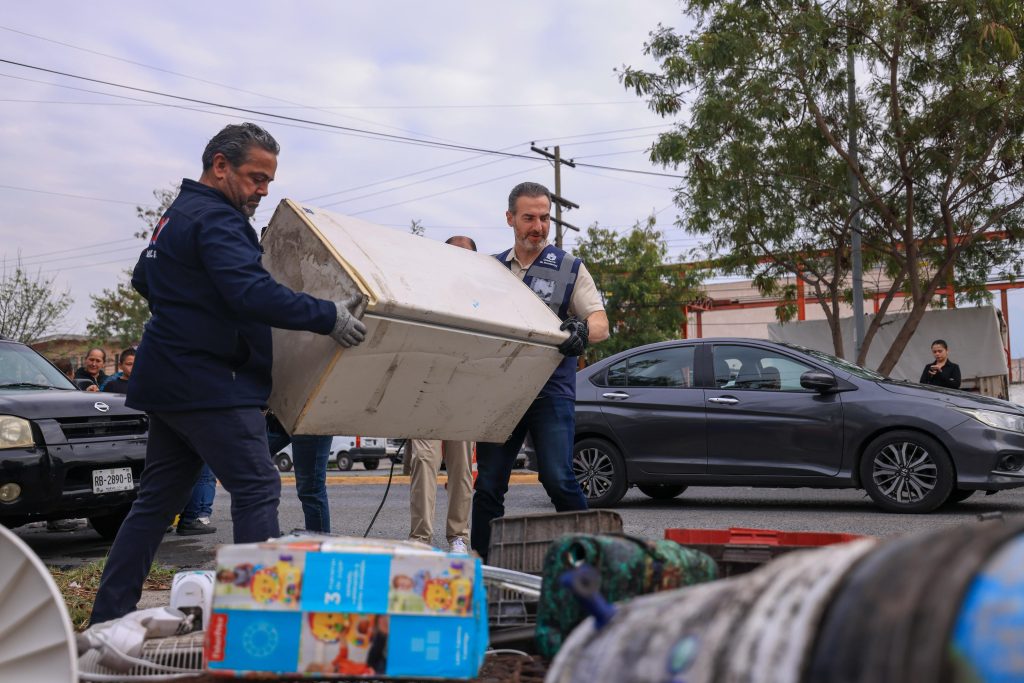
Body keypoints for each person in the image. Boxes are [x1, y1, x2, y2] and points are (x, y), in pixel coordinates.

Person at [90, 122, 368, 624]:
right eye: (255, 178)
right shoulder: (218, 219)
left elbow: (142, 278)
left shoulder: (176, 215)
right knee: (258, 486)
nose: (263, 190)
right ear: (220, 165)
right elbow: (252, 293)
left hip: (167, 379)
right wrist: (329, 316)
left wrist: (188, 316)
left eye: (267, 181)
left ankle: (109, 616)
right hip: (211, 384)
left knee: (155, 503)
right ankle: (258, 625)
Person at [470, 182, 609, 560]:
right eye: (529, 217)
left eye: (545, 217)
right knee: (489, 486)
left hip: (550, 392)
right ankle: (483, 568)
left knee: (558, 477)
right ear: (510, 218)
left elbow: (600, 323)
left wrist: (581, 329)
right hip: (500, 393)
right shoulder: (489, 269)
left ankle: (588, 558)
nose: (539, 226)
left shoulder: (569, 268)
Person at [408, 236, 478, 554]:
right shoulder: (424, 291)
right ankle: (420, 538)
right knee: (424, 461)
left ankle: (458, 536)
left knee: (461, 467)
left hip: (464, 392)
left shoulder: (481, 298)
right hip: (426, 388)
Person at [266, 413, 334, 533]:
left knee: (311, 490)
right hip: (284, 412)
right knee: (248, 465)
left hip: (314, 415)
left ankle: (317, 546)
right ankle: (262, 533)